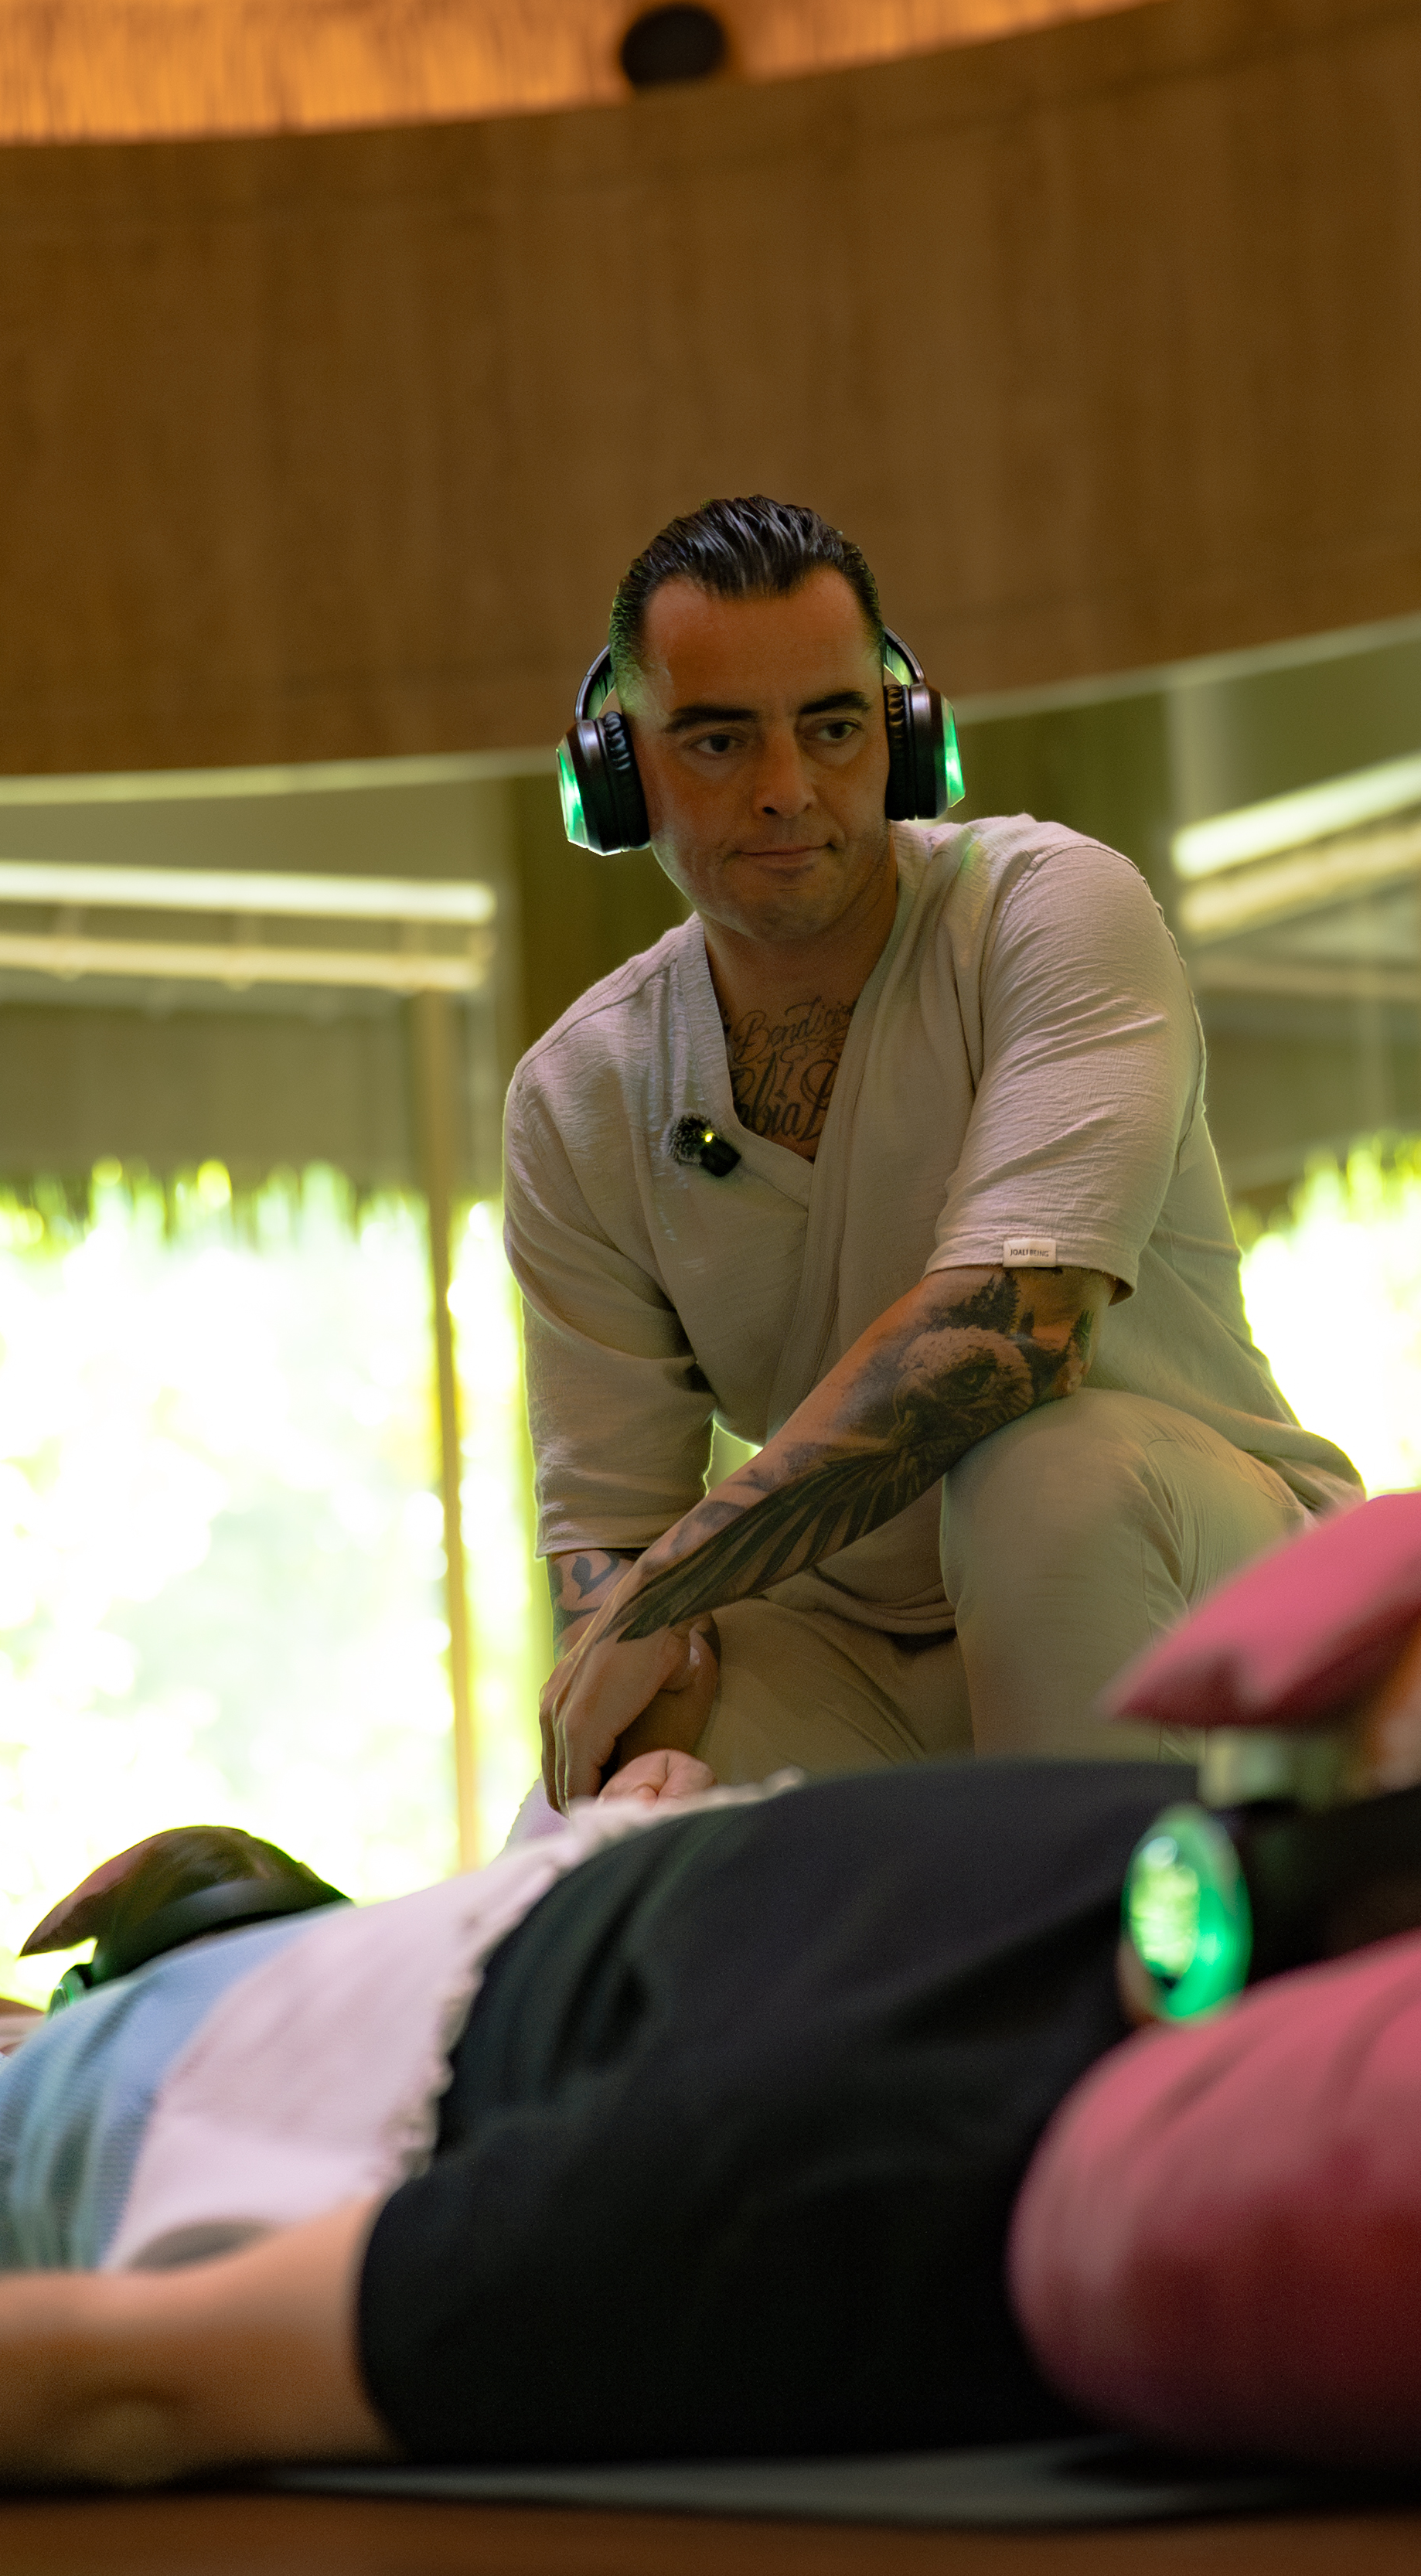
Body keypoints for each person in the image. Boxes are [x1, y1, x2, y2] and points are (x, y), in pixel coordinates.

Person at [0, 1501, 1421, 2490]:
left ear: (1259, 1888)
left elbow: (123, 2377)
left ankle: (1, 2047)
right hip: (458, 1939)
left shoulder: (823, 2151)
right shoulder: (1209, 1887)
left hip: (143, 2118)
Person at [511, 494, 1359, 1808]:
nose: (786, 788)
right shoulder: (578, 1091)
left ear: (904, 739)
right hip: (851, 1645)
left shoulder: (1050, 907)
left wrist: (665, 1589)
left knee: (1045, 1477)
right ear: (618, 777)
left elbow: (1017, 1334)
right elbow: (612, 1552)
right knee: (606, 1821)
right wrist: (647, 1725)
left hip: (1195, 1579)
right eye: (720, 739)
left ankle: (1118, 1930)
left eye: (833, 727)